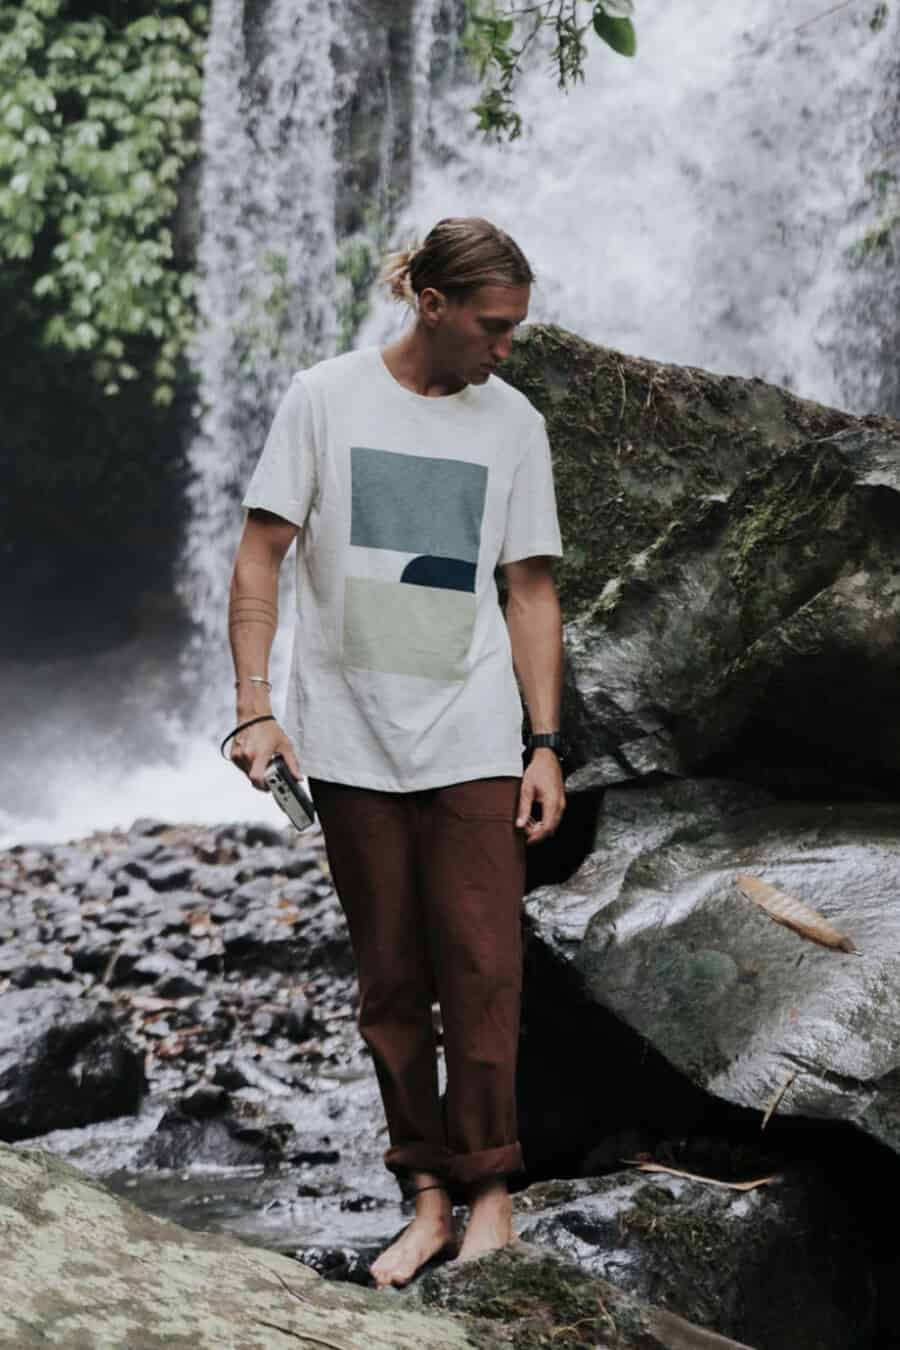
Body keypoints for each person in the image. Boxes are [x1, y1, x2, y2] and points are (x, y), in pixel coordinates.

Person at [227, 216, 565, 1288]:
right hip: (349, 741)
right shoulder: (324, 399)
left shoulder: (513, 423)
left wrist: (544, 744)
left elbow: (530, 590)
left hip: (472, 738)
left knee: (485, 968)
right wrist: (252, 706)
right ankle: (425, 1199)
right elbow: (260, 555)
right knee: (390, 982)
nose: (507, 347)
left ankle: (493, 1196)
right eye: (493, 325)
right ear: (429, 303)